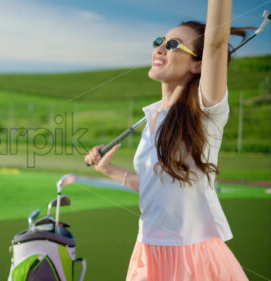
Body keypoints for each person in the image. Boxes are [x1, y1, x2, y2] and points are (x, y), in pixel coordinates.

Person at [85, 1, 250, 280]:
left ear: (198, 65)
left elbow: (215, 45)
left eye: (173, 45)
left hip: (191, 258)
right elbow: (161, 187)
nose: (160, 48)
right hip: (147, 251)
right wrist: (109, 170)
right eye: (160, 41)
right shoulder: (152, 115)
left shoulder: (205, 111)